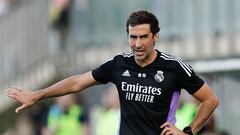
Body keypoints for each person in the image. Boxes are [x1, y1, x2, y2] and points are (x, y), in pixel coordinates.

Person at [5, 10, 219, 135]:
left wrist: (188, 132)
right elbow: (78, 83)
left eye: (143, 37)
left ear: (155, 37)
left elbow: (210, 100)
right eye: (132, 37)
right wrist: (37, 95)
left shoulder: (173, 67)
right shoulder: (119, 64)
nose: (137, 44)